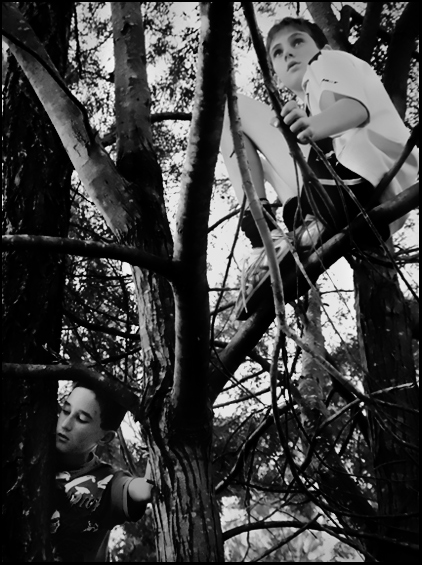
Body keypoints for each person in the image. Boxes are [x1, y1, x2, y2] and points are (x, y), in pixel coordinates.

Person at [220, 17, 419, 319]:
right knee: (262, 164)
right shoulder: (313, 99)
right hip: (360, 203)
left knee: (230, 109)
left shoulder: (327, 60)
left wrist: (311, 125)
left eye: (297, 41)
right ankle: (301, 236)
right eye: (277, 52)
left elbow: (354, 109)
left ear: (320, 46)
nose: (287, 53)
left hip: (355, 181)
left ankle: (264, 238)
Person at [52, 382, 153, 562]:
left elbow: (144, 489)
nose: (66, 424)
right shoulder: (28, 454)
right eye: (65, 411)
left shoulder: (108, 480)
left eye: (82, 419)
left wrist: (157, 434)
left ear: (105, 437)